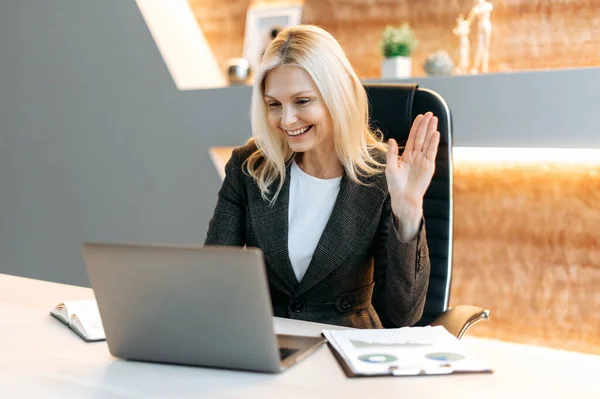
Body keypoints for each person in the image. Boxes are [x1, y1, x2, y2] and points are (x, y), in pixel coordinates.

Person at [205, 25, 439, 329]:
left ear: (337, 95)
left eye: (302, 101)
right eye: (274, 104)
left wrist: (407, 211)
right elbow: (214, 280)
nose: (286, 120)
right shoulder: (249, 167)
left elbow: (400, 315)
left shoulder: (382, 175)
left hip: (346, 349)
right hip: (268, 344)